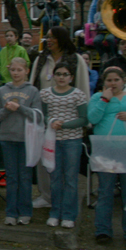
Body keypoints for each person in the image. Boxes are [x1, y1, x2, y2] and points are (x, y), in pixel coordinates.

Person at [30, 26, 90, 209]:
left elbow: (83, 89)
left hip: (68, 120)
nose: (48, 40)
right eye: (47, 37)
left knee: (66, 163)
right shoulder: (41, 59)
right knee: (44, 159)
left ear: (62, 39)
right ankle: (46, 196)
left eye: (52, 37)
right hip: (45, 118)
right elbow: (34, 85)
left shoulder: (76, 60)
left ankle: (65, 199)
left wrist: (84, 120)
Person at [88, 66, 126, 249]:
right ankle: (103, 230)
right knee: (105, 192)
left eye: (116, 80)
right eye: (109, 80)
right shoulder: (98, 97)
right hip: (106, 151)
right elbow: (92, 118)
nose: (113, 83)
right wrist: (105, 99)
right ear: (104, 82)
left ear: (124, 81)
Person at [0, 57, 41, 225]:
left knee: (25, 177)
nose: (16, 73)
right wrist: (6, 109)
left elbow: (37, 116)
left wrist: (20, 107)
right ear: (9, 70)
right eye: (13, 70)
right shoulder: (2, 91)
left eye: (19, 70)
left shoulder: (33, 91)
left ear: (26, 71)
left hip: (27, 139)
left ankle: (25, 212)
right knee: (12, 177)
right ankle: (11, 213)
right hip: (7, 138)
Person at [40, 62, 88, 228]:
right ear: (54, 76)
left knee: (70, 179)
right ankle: (55, 213)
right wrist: (51, 121)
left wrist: (64, 125)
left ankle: (69, 215)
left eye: (65, 74)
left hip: (72, 140)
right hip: (52, 141)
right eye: (58, 74)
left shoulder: (78, 95)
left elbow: (83, 119)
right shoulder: (45, 94)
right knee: (54, 178)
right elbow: (43, 115)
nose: (61, 77)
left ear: (71, 77)